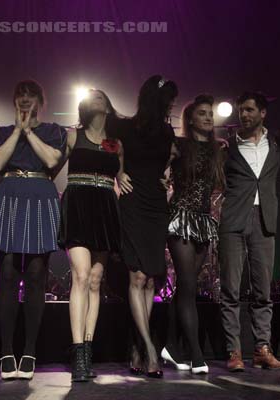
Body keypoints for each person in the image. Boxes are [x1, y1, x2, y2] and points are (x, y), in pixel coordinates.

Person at [0, 79, 66, 380]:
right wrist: (17, 130)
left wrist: (29, 130)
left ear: (40, 101)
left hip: (40, 195)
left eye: (30, 96)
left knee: (35, 275)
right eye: (20, 96)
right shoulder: (1, 133)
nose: (25, 100)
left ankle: (29, 350)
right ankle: (6, 351)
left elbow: (52, 159)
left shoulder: (53, 131)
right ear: (14, 100)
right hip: (10, 195)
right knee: (6, 273)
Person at [219, 91, 280, 372]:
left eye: (250, 110)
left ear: (263, 113)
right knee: (231, 290)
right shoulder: (227, 147)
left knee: (263, 290)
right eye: (242, 110)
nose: (245, 114)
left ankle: (263, 349)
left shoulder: (276, 143)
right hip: (233, 221)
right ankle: (234, 352)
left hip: (265, 220)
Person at [57, 89, 124, 381]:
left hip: (105, 209)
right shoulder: (73, 136)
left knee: (96, 282)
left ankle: (87, 349)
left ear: (109, 105)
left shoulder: (116, 144)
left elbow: (122, 177)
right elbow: (49, 170)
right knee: (81, 276)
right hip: (78, 206)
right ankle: (77, 354)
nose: (97, 98)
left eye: (101, 95)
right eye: (92, 96)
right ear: (85, 106)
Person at [117, 75, 178, 378]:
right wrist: (118, 173)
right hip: (132, 201)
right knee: (137, 276)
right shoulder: (126, 126)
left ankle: (137, 347)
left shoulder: (168, 131)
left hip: (156, 204)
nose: (172, 105)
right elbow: (109, 150)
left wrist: (167, 177)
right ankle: (150, 350)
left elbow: (166, 165)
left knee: (152, 280)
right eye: (168, 99)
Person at [160, 94, 225, 374]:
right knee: (187, 284)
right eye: (202, 113)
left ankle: (171, 347)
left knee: (188, 287)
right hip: (179, 217)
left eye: (210, 113)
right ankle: (196, 354)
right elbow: (158, 169)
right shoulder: (179, 145)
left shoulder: (217, 149)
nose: (209, 118)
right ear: (190, 118)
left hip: (202, 220)